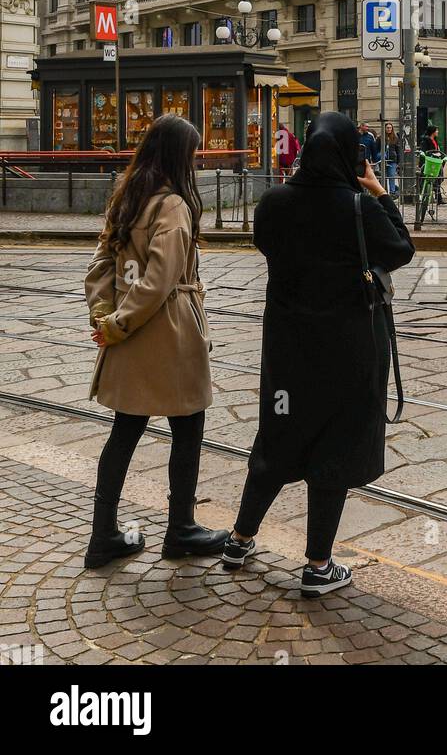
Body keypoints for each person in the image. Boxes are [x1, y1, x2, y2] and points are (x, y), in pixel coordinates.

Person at [222, 112, 414, 594]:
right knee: (335, 449)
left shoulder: (273, 203)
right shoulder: (357, 207)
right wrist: (379, 190)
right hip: (348, 353)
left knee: (277, 441)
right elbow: (401, 249)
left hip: (288, 351)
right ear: (352, 155)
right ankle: (318, 565)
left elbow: (267, 245)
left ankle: (239, 539)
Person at [83, 114, 229, 569]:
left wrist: (106, 318)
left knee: (125, 431)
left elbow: (101, 265)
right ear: (178, 156)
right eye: (193, 153)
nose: (197, 161)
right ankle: (180, 530)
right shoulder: (174, 207)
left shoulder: (127, 197)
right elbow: (160, 281)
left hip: (128, 336)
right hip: (169, 333)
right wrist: (122, 323)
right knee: (188, 429)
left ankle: (103, 535)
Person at [420, 123, 444, 204]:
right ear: (432, 131)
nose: (437, 132)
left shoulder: (435, 140)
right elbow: (424, 151)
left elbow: (437, 149)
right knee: (431, 179)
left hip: (436, 161)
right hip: (430, 162)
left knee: (437, 179)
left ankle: (439, 198)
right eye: (436, 130)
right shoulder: (426, 140)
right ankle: (434, 198)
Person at [382, 121, 399, 196]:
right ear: (385, 129)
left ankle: (392, 193)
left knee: (392, 176)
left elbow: (398, 150)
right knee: (383, 176)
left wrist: (399, 161)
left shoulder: (395, 138)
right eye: (387, 128)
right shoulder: (381, 138)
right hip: (383, 160)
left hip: (392, 160)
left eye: (390, 128)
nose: (389, 129)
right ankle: (384, 192)